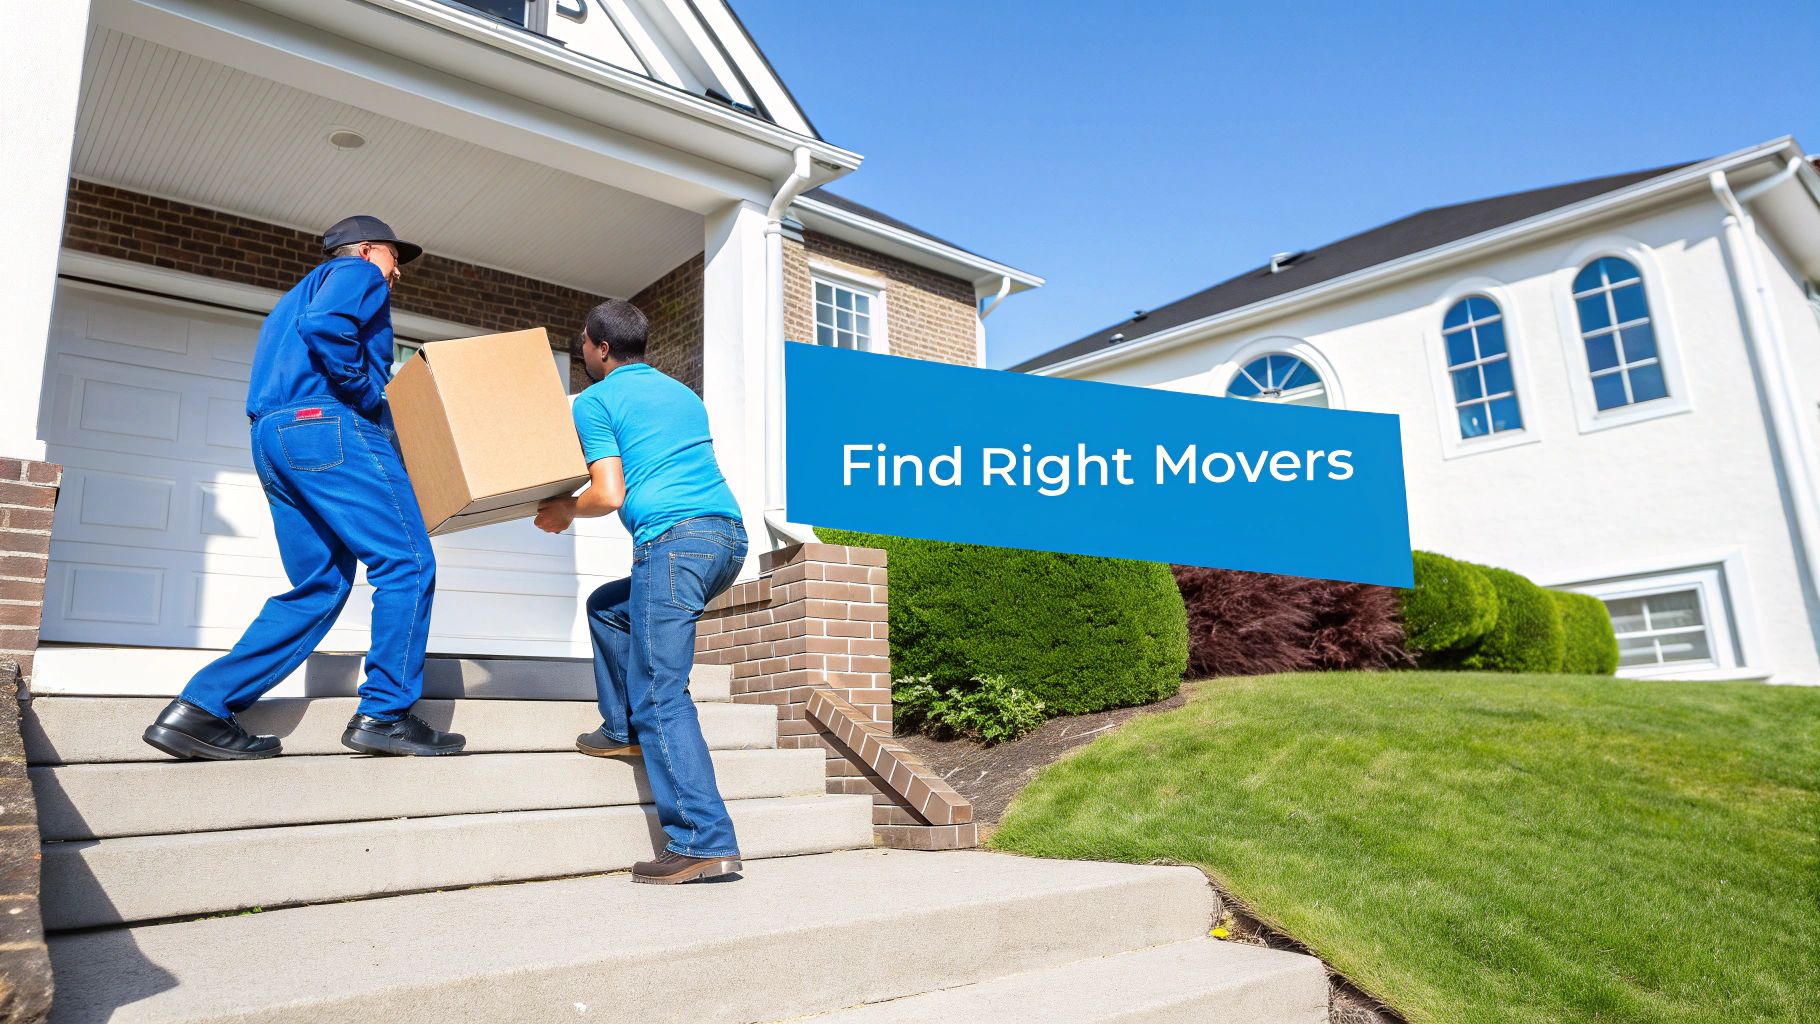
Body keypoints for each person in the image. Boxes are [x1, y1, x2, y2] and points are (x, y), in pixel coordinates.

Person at [142, 216, 465, 760]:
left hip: (276, 437)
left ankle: (200, 710)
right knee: (406, 562)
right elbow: (328, 328)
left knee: (319, 586)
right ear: (365, 250)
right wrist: (366, 394)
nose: (397, 275)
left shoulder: (289, 300)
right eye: (393, 259)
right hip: (325, 426)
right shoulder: (352, 273)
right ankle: (385, 713)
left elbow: (313, 333)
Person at [534, 299, 747, 885]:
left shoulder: (597, 401)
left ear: (600, 348)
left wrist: (564, 512)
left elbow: (608, 493)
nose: (582, 352)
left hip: (673, 543)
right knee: (609, 608)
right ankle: (621, 729)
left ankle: (703, 841)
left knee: (661, 693)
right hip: (725, 540)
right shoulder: (683, 394)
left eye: (583, 343)